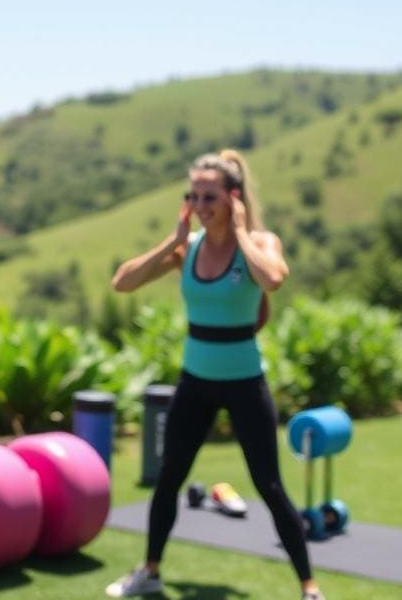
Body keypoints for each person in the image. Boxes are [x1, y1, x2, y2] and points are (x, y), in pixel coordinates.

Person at [105, 150, 324, 600]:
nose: (201, 205)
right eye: (194, 196)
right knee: (169, 479)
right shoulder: (189, 248)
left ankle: (309, 587)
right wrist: (174, 240)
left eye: (210, 197)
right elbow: (122, 283)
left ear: (233, 198)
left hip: (245, 383)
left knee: (269, 485)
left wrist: (242, 231)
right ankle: (151, 571)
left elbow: (274, 279)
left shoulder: (260, 242)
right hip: (195, 382)